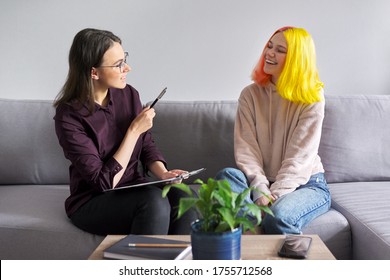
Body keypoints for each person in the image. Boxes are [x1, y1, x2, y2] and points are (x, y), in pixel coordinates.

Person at [53, 28, 197, 235]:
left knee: (184, 196)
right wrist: (132, 131)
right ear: (94, 72)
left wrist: (163, 174)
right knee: (153, 203)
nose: (127, 68)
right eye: (118, 64)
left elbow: (146, 144)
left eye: (125, 59)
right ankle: (142, 267)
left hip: (134, 188)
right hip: (93, 199)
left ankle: (181, 264)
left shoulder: (128, 94)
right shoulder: (69, 116)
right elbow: (103, 182)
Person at [216, 26, 331, 234]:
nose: (269, 53)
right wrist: (260, 190)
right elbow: (246, 151)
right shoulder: (250, 95)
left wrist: (272, 197)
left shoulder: (313, 98)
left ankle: (254, 230)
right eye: (269, 46)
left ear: (297, 58)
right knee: (228, 175)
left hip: (304, 183)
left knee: (278, 217)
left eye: (280, 50)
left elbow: (299, 159)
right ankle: (252, 232)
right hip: (260, 182)